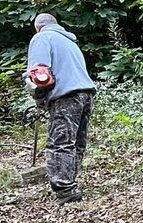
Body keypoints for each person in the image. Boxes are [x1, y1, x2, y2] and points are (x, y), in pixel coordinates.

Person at [25, 13, 96, 204]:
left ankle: (65, 190)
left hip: (66, 96)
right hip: (86, 94)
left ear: (38, 27)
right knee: (76, 142)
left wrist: (39, 95)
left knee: (60, 142)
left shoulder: (41, 38)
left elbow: (40, 75)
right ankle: (71, 182)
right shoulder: (71, 42)